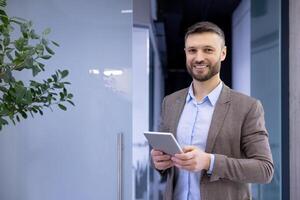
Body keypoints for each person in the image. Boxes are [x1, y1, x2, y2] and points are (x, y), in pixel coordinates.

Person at [150, 21, 274, 200]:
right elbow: (163, 161)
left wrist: (209, 162)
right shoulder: (170, 102)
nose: (199, 58)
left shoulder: (248, 107)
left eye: (208, 50)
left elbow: (264, 170)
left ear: (223, 53)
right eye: (192, 50)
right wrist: (158, 162)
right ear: (185, 53)